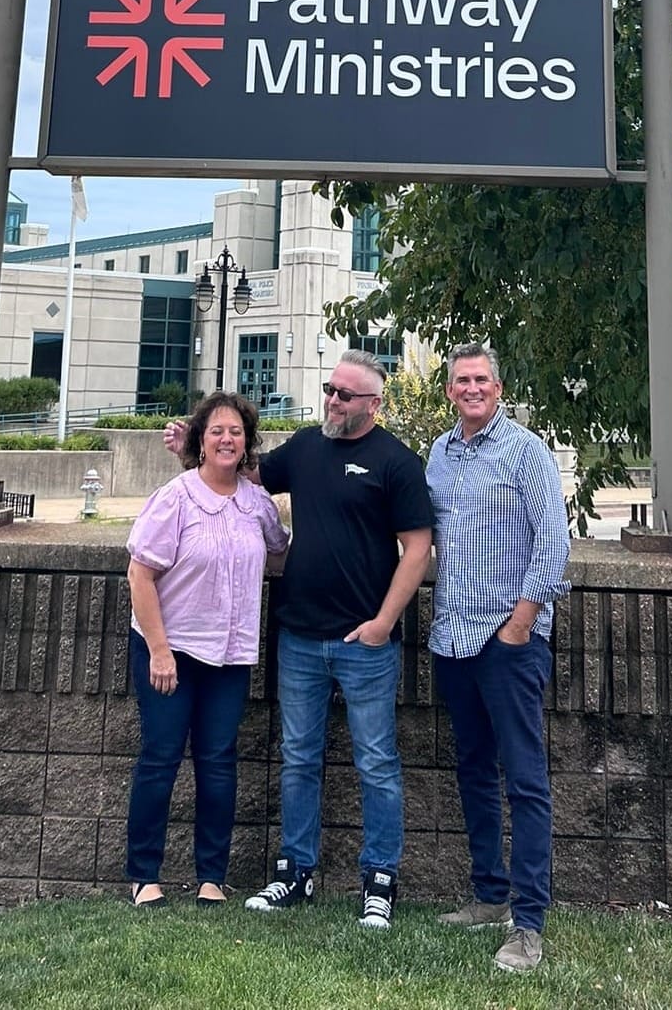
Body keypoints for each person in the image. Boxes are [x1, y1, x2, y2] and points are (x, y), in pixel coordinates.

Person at [165, 349, 433, 929]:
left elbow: (417, 548)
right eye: (329, 389)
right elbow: (246, 474)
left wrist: (384, 623)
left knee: (378, 762)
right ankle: (295, 871)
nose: (332, 401)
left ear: (373, 405)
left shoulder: (397, 463)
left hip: (366, 643)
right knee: (299, 759)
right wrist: (195, 442)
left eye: (344, 394)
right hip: (300, 639)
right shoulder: (308, 446)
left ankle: (379, 880)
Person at [427, 342, 571, 975]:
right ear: (451, 389)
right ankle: (488, 895)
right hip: (453, 639)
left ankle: (529, 921)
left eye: (482, 378)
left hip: (507, 643)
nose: (472, 388)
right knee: (474, 770)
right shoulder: (439, 454)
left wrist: (519, 626)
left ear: (499, 386)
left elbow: (554, 545)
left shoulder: (526, 451)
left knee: (525, 779)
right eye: (462, 380)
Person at [125, 392, 289, 907]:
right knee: (161, 757)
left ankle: (211, 877)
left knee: (218, 762)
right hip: (169, 651)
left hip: (230, 655)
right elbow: (140, 574)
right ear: (200, 439)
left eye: (236, 432)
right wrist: (159, 649)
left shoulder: (255, 504)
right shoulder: (175, 497)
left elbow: (281, 549)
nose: (227, 439)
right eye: (216, 430)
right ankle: (143, 874)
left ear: (247, 444)